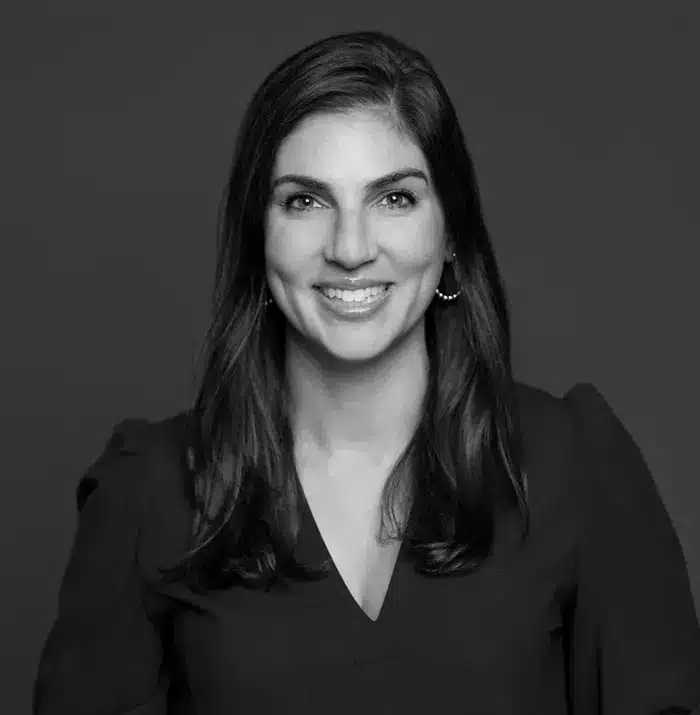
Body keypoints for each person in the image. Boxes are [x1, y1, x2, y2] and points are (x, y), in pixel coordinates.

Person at [33, 29, 700, 715]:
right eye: (305, 201)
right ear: (258, 237)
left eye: (394, 198)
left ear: (450, 235)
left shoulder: (572, 464)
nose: (350, 249)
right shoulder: (149, 491)